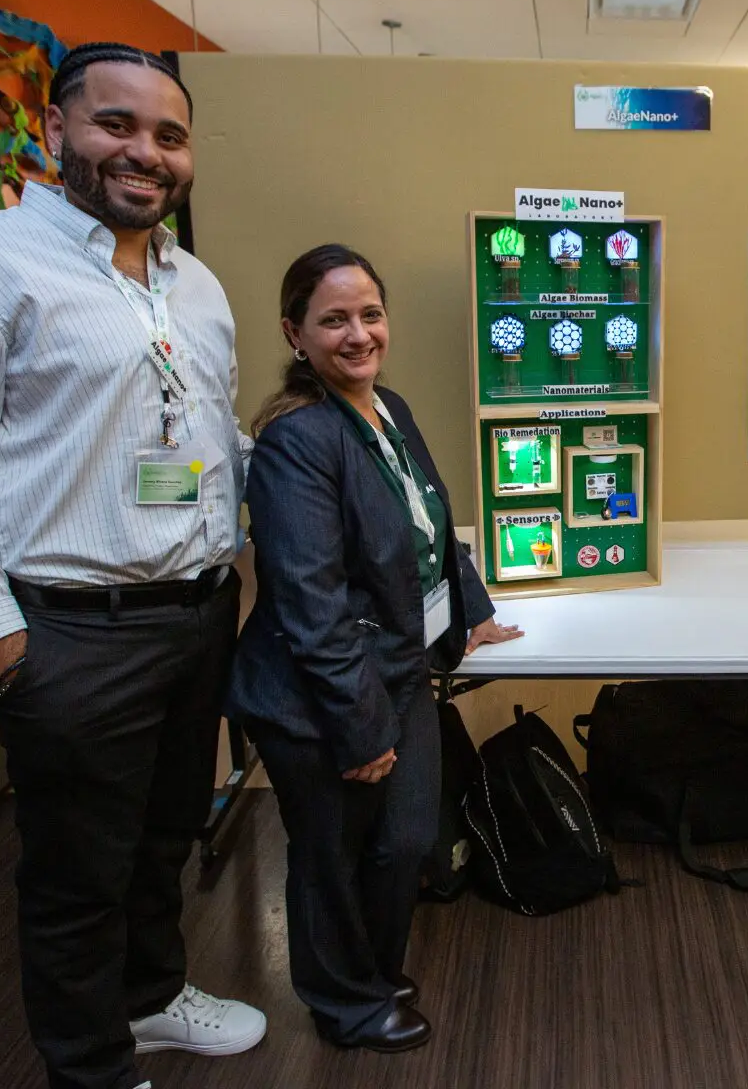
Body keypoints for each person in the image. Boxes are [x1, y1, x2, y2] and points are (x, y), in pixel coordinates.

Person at [0, 43, 265, 1089]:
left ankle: (147, 1000)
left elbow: (199, 441)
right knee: (77, 874)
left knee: (164, 836)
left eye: (169, 136)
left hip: (192, 613)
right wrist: (5, 650)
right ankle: (89, 1067)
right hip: (67, 632)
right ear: (56, 133)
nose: (145, 152)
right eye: (117, 125)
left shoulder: (198, 286)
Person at [230, 244, 524, 1053]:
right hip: (322, 693)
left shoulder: (386, 407)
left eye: (370, 314)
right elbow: (308, 601)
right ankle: (345, 1003)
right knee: (332, 856)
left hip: (401, 670)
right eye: (334, 320)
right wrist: (358, 732)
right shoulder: (298, 440)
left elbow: (430, 520)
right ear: (296, 334)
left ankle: (373, 973)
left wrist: (468, 612)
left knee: (401, 842)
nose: (358, 334)